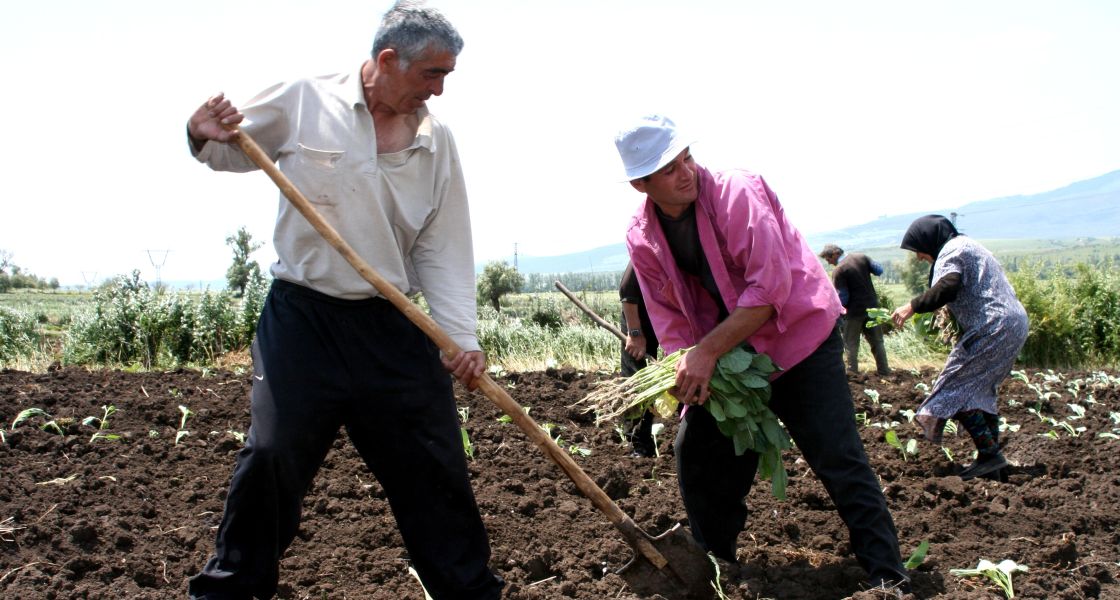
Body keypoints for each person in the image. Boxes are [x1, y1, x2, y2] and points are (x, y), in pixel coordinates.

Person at [184, 4, 504, 599]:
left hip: (392, 325)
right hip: (304, 319)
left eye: (446, 76)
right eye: (432, 74)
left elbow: (443, 243)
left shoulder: (436, 141)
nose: (439, 90)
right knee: (272, 456)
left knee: (435, 469)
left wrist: (460, 338)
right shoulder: (306, 98)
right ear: (387, 61)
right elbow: (232, 148)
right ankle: (229, 591)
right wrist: (201, 131)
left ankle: (469, 594)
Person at [614, 114, 911, 593]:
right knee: (698, 451)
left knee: (836, 453)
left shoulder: (736, 193)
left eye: (687, 157)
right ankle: (716, 569)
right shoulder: (641, 235)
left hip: (799, 341)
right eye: (669, 168)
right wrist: (680, 364)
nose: (686, 171)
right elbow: (665, 314)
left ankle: (888, 575)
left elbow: (771, 288)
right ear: (640, 183)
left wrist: (707, 352)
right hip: (732, 360)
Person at [891, 215, 1028, 481]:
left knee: (954, 389)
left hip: (993, 326)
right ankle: (991, 464)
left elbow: (948, 286)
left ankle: (990, 456)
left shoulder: (952, 250)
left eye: (917, 249)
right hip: (1012, 324)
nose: (919, 257)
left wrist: (912, 306)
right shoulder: (968, 245)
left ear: (928, 240)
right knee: (979, 391)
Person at [819, 244, 891, 376]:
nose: (829, 262)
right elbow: (879, 270)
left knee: (850, 343)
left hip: (854, 312)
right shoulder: (861, 257)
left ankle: (853, 372)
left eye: (828, 258)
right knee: (877, 341)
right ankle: (884, 371)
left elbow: (843, 297)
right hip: (872, 307)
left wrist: (837, 313)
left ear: (835, 254)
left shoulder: (839, 270)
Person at [619, 260, 659, 457]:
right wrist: (635, 333)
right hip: (639, 318)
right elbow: (627, 290)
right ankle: (638, 442)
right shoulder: (650, 246)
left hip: (667, 316)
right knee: (639, 378)